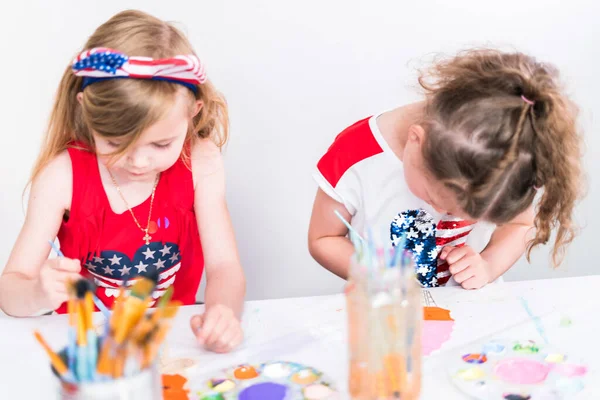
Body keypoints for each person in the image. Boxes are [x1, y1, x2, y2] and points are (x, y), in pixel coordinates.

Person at [0, 10, 245, 353]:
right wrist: (37, 292)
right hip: (85, 348)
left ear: (193, 112)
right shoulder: (62, 177)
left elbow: (225, 266)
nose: (140, 161)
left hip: (171, 345)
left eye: (161, 144)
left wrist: (222, 313)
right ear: (86, 110)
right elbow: (10, 290)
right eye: (116, 143)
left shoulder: (201, 162)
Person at [308, 49, 583, 289]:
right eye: (433, 199)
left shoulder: (500, 163)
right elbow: (323, 237)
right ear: (416, 140)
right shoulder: (355, 154)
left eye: (472, 215)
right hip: (388, 316)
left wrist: (487, 266)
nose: (444, 215)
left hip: (472, 319)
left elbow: (521, 224)